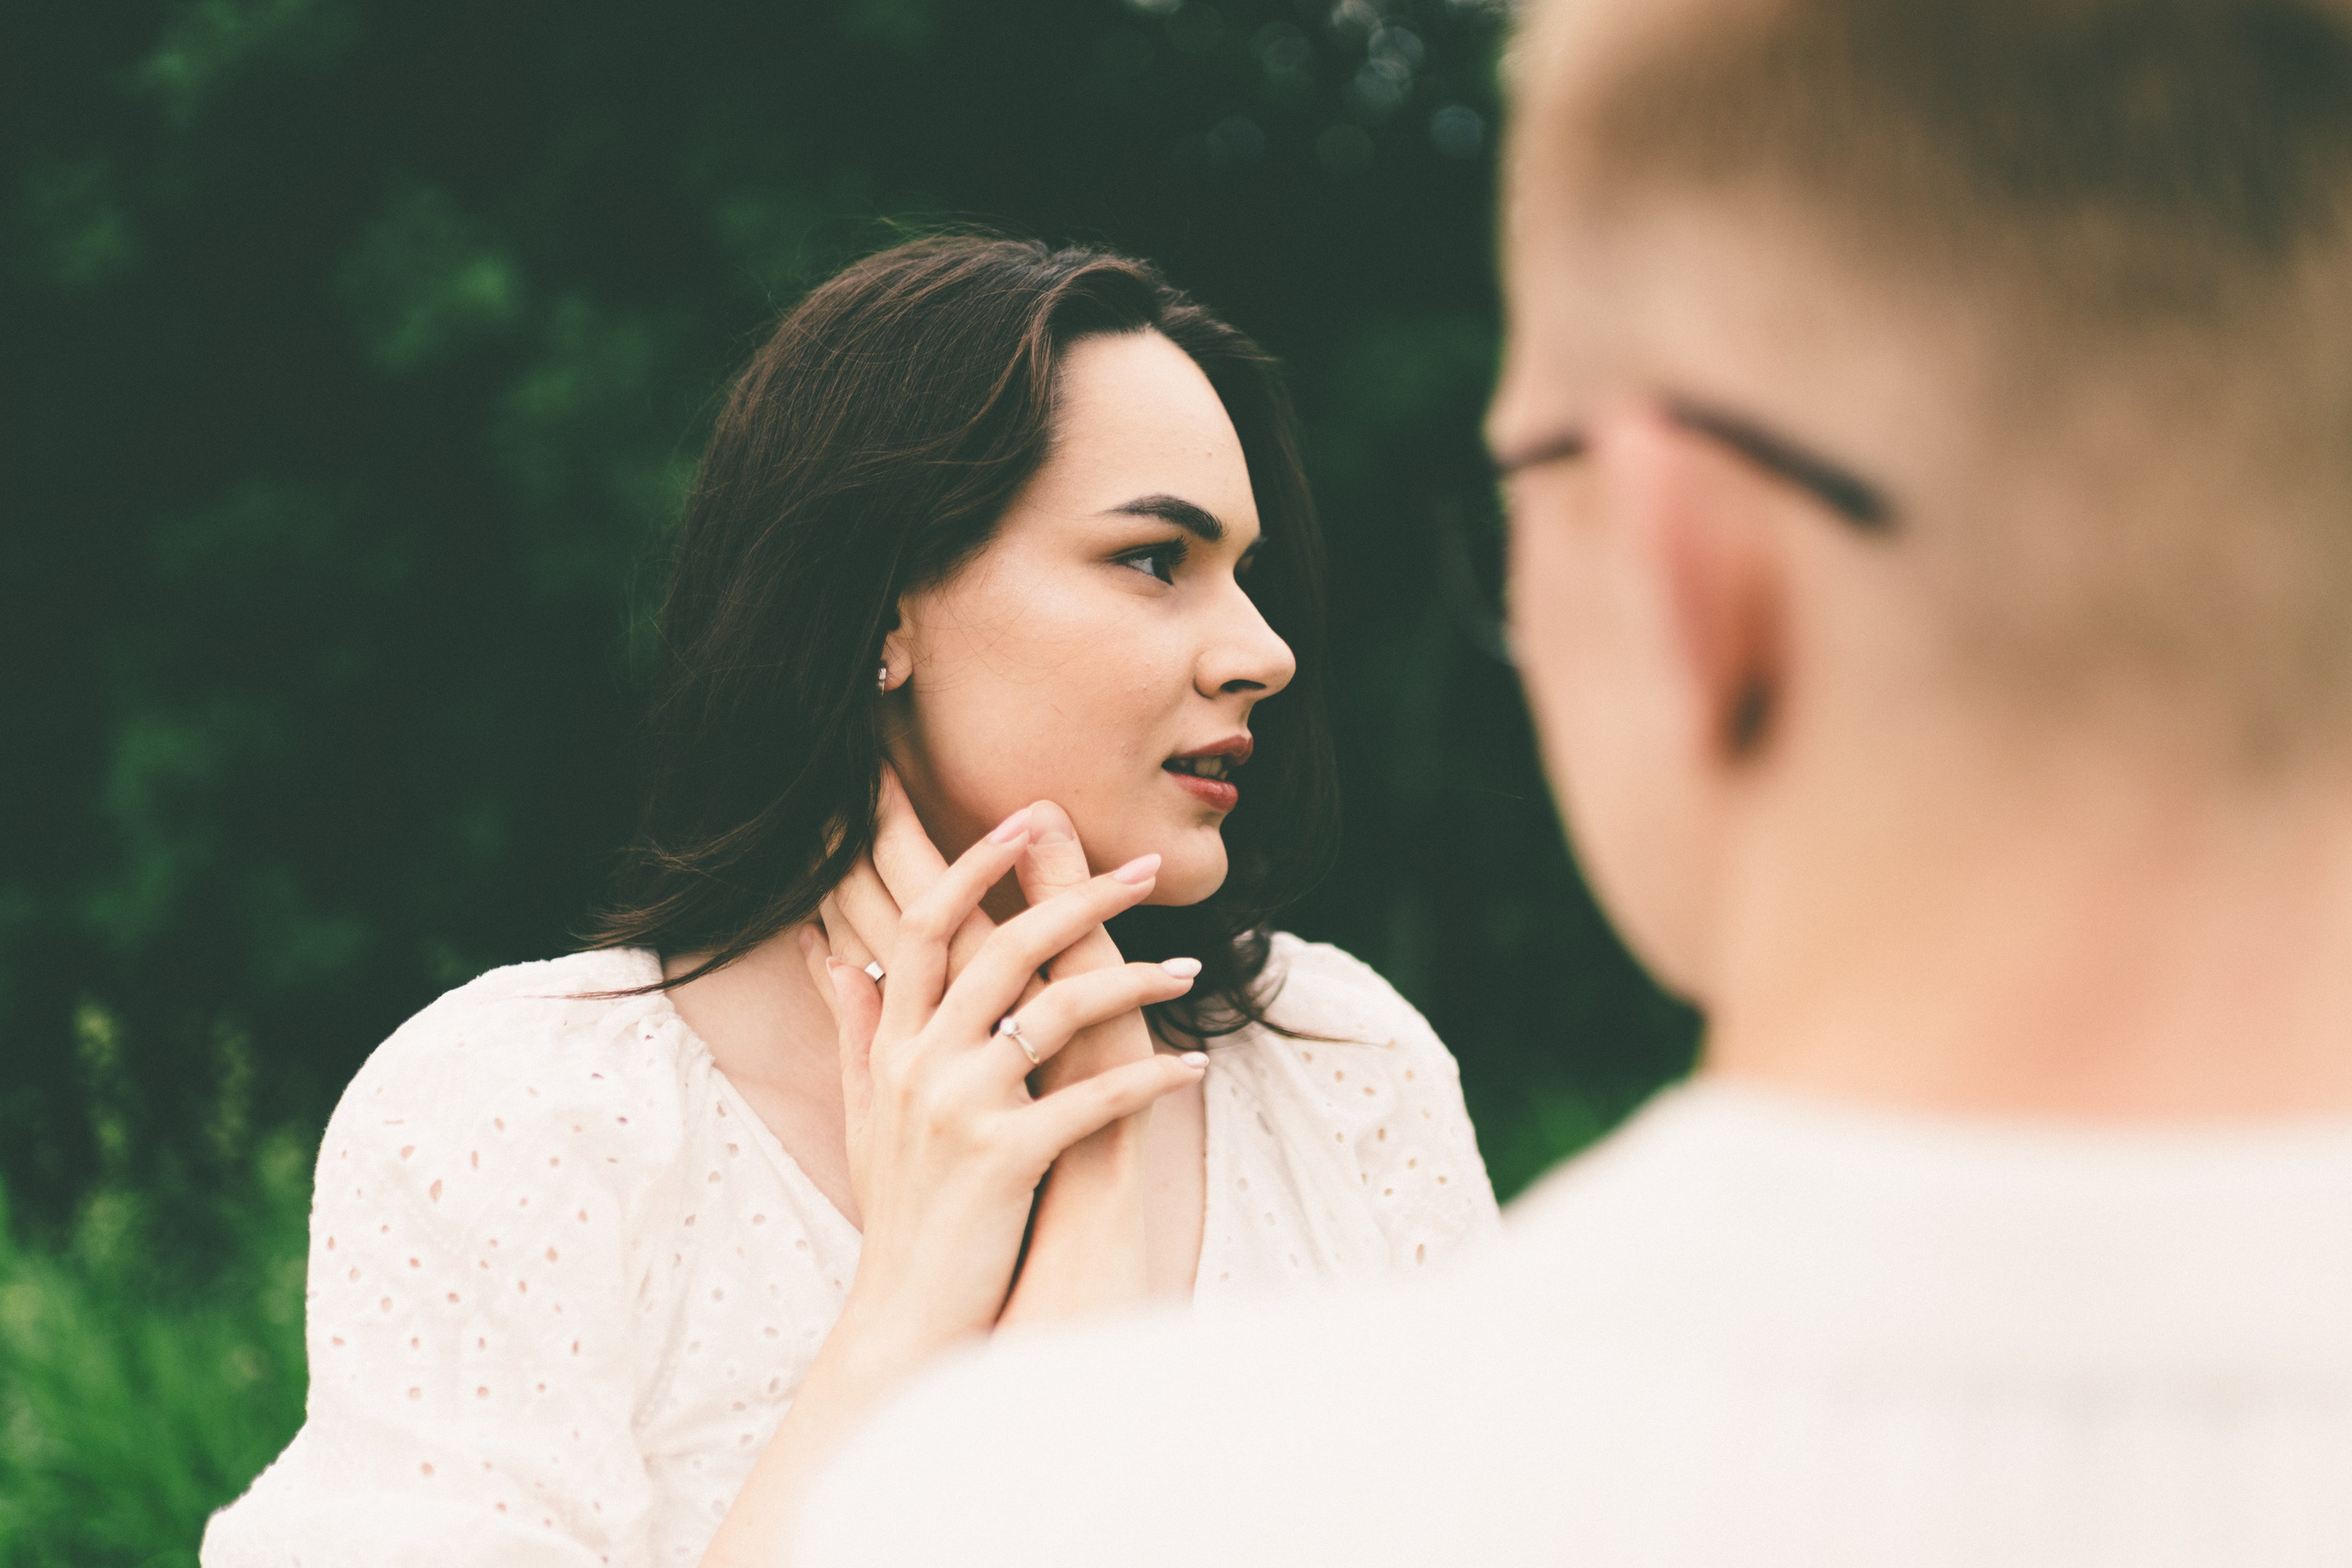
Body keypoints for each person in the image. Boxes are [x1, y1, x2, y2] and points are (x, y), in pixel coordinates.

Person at [790, 1, 2352, 1562]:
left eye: (1535, 486)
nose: (1264, 653)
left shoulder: (1043, 1500)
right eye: (1154, 559)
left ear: (1695, 558)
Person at [198, 237, 1498, 1568]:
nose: (1265, 653)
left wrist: (1102, 1183)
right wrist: (913, 1299)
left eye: (1247, 574)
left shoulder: (1342, 1075)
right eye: (1157, 558)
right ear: (884, 607)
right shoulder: (526, 1124)